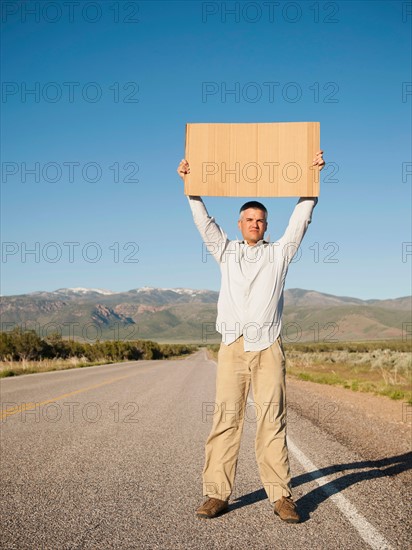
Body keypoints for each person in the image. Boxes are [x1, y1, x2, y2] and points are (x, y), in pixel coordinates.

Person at [177, 151, 325, 523]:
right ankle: (216, 494)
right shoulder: (225, 252)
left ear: (266, 225)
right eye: (249, 219)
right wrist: (190, 188)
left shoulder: (280, 254)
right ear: (240, 223)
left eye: (260, 220)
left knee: (272, 420)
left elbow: (300, 221)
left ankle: (281, 497)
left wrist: (312, 181)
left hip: (269, 348)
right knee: (226, 419)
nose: (255, 224)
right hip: (232, 346)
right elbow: (203, 224)